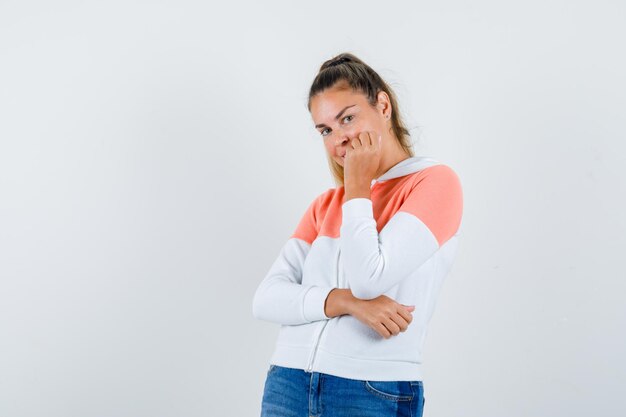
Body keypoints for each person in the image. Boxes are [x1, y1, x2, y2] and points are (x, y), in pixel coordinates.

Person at [252, 52, 464, 417]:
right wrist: (346, 302)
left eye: (347, 118)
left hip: (370, 389)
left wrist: (358, 188)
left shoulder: (433, 183)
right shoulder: (327, 205)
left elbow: (370, 279)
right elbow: (266, 299)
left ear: (383, 105)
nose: (339, 140)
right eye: (325, 130)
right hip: (287, 382)